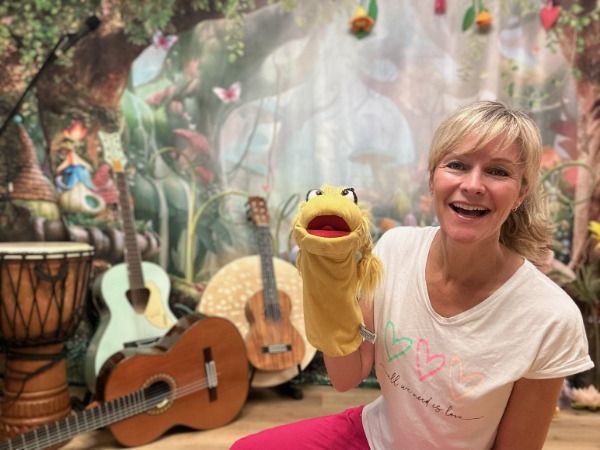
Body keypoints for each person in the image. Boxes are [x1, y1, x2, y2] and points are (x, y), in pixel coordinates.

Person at [230, 101, 594, 449]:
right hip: (373, 436)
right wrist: (329, 284)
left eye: (498, 171)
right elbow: (345, 377)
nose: (473, 185)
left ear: (521, 193)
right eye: (457, 165)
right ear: (432, 178)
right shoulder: (395, 249)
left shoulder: (551, 318)